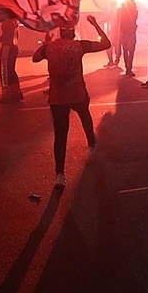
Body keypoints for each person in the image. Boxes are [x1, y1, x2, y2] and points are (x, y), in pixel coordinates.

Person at [32, 15, 110, 189]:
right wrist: (96, 23)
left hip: (57, 98)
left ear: (60, 33)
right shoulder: (79, 45)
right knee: (85, 116)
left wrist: (46, 44)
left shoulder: (50, 48)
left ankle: (59, 174)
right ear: (73, 33)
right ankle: (91, 145)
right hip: (77, 94)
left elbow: (35, 58)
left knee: (60, 136)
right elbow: (106, 44)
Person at [0, 18, 24, 104]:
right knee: (11, 71)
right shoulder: (14, 21)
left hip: (7, 47)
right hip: (13, 47)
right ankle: (16, 92)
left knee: (4, 72)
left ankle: (6, 95)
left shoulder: (7, 21)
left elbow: (5, 36)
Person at [116, 0, 139, 77]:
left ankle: (128, 69)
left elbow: (119, 20)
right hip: (129, 33)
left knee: (126, 51)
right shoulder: (134, 11)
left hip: (126, 33)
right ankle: (128, 69)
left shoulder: (122, 11)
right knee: (130, 52)